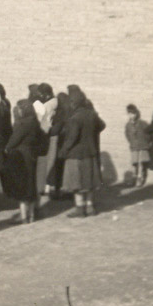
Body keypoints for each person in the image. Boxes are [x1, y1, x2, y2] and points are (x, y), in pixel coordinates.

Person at [59, 88, 106, 217]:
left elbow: (72, 138)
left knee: (77, 183)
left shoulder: (75, 118)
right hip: (90, 153)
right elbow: (102, 125)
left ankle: (80, 208)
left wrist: (63, 150)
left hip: (76, 155)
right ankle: (90, 207)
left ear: (74, 103)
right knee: (88, 182)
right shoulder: (92, 114)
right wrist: (90, 134)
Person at [4, 99, 41, 224]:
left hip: (21, 156)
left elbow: (14, 139)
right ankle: (32, 215)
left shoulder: (23, 123)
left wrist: (7, 148)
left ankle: (24, 216)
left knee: (23, 184)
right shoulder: (34, 122)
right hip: (31, 154)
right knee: (31, 183)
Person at [124, 104, 152, 187]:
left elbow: (148, 133)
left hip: (143, 146)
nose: (131, 116)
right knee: (134, 163)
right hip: (134, 146)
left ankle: (140, 178)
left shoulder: (143, 123)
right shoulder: (128, 125)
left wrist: (147, 142)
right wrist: (131, 142)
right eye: (129, 114)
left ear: (136, 113)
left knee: (141, 163)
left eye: (133, 114)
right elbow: (127, 135)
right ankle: (134, 178)